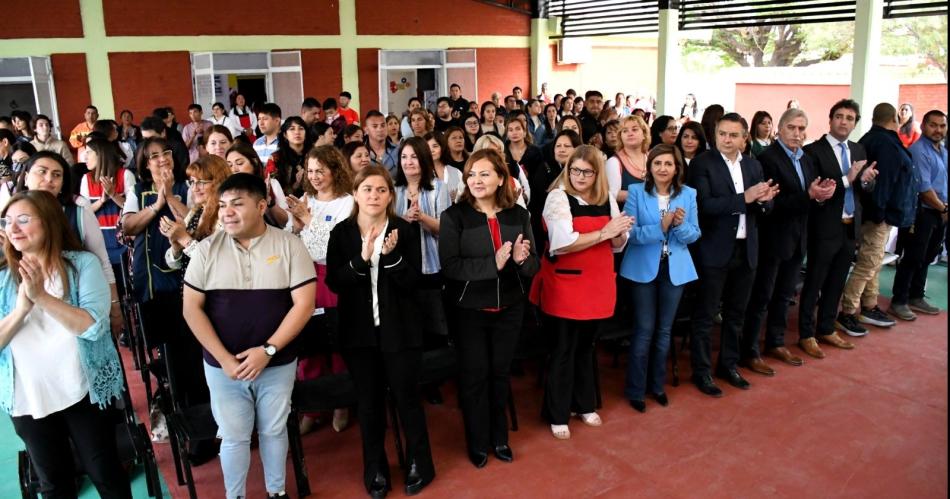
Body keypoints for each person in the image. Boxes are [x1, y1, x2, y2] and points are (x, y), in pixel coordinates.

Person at [182, 173, 315, 499]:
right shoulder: (205, 251)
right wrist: (225, 359)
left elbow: (304, 304)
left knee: (273, 428)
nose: (227, 212)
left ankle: (277, 492)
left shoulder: (289, 245)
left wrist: (268, 350)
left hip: (277, 360)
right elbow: (191, 309)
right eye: (223, 205)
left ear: (260, 205)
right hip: (223, 366)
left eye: (237, 204)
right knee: (234, 435)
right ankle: (236, 495)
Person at [0, 190, 131, 499]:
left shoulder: (81, 265)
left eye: (23, 220)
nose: (13, 229)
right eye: (7, 221)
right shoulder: (5, 278)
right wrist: (22, 309)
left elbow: (94, 326)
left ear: (48, 223)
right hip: (28, 396)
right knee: (54, 484)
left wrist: (42, 298)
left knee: (105, 472)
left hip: (81, 390)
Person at [325, 166, 436, 497]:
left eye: (381, 190)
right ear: (356, 194)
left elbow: (415, 282)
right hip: (359, 335)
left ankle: (421, 463)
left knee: (407, 399)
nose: (373, 196)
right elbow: (335, 282)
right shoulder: (342, 234)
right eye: (367, 189)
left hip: (401, 332)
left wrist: (389, 258)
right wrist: (362, 259)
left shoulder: (404, 229)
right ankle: (375, 469)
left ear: (391, 195)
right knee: (369, 405)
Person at [439, 148, 539, 468]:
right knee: (475, 377)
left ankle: (500, 438)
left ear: (500, 178)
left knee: (500, 374)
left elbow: (534, 262)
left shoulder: (518, 215)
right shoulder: (454, 216)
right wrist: (492, 265)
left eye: (484, 173)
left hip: (510, 308)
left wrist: (522, 262)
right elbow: (450, 267)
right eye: (471, 174)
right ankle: (478, 441)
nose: (476, 180)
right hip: (470, 311)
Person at [531, 145, 631, 438]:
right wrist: (604, 233)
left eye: (587, 171)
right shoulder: (558, 197)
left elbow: (618, 244)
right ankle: (557, 412)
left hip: (598, 284)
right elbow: (562, 242)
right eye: (575, 170)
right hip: (565, 283)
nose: (580, 176)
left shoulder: (606, 199)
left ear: (597, 174)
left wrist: (621, 231)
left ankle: (584, 404)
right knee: (563, 348)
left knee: (587, 347)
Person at [741, 109, 841, 375]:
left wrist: (820, 196)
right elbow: (771, 204)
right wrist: (808, 196)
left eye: (802, 128)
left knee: (785, 295)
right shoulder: (768, 159)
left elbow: (808, 200)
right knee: (762, 296)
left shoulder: (807, 160)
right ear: (780, 129)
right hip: (772, 238)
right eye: (792, 128)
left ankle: (775, 341)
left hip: (799, 238)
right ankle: (749, 350)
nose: (798, 133)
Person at [686, 113, 778, 397]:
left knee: (736, 314)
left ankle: (728, 364)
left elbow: (764, 209)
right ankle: (702, 372)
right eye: (722, 134)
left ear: (744, 138)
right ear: (715, 135)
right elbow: (703, 205)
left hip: (746, 249)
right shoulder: (703, 164)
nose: (727, 139)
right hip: (714, 250)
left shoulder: (753, 165)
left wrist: (764, 202)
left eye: (733, 135)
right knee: (705, 315)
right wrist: (746, 198)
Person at [621, 143, 700, 411]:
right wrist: (661, 226)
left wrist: (679, 225)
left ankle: (657, 386)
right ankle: (635, 390)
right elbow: (631, 235)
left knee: (665, 331)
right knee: (644, 330)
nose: (662, 168)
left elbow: (694, 235)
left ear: (677, 167)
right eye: (657, 163)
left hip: (674, 269)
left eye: (668, 164)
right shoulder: (635, 192)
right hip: (642, 269)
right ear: (650, 167)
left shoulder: (688, 194)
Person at [285, 146, 354, 435]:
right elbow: (292, 237)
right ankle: (312, 410)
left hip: (334, 276)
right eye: (310, 171)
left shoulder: (347, 202)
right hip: (307, 275)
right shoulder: (305, 199)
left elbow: (336, 246)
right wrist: (297, 222)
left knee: (338, 344)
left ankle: (342, 403)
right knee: (309, 345)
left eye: (320, 171)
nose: (314, 177)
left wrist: (308, 219)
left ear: (335, 171)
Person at [801, 99, 879, 348]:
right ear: (830, 119)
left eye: (849, 118)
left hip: (850, 225)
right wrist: (847, 179)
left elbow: (864, 190)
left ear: (855, 123)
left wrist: (866, 181)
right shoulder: (814, 151)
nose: (844, 121)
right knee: (815, 281)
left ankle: (826, 327)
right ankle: (806, 334)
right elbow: (816, 192)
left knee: (837, 281)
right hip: (824, 227)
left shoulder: (858, 150)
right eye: (839, 116)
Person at [18, 151, 123, 334]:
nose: (49, 179)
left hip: (76, 307)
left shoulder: (78, 211)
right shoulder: (11, 217)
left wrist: (115, 307)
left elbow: (102, 260)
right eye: (42, 172)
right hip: (29, 313)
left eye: (56, 175)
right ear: (26, 177)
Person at [841, 103, 917, 329]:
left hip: (874, 213)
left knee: (873, 262)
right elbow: (883, 183)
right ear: (894, 118)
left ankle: (869, 305)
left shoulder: (872, 139)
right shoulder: (885, 143)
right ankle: (847, 311)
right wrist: (880, 215)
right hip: (878, 215)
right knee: (868, 263)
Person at [120, 138, 190, 352]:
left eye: (166, 153)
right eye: (155, 156)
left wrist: (169, 196)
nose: (162, 159)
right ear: (145, 164)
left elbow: (194, 223)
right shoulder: (138, 190)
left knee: (184, 333)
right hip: (149, 270)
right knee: (156, 334)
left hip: (183, 269)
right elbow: (128, 227)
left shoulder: (186, 185)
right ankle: (164, 377)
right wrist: (157, 205)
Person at [889, 110, 948, 319]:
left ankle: (916, 296)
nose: (938, 130)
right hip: (921, 212)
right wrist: (943, 209)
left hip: (939, 211)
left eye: (942, 126)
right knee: (913, 257)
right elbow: (924, 189)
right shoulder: (919, 151)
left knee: (928, 256)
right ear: (923, 126)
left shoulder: (942, 150)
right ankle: (899, 300)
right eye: (933, 125)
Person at [80, 139, 134, 291]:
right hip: (99, 242)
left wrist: (113, 194)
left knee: (127, 286)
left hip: (123, 241)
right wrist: (102, 201)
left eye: (89, 152)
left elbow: (133, 210)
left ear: (101, 155)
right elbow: (84, 211)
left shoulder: (125, 175)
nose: (85, 157)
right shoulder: (87, 179)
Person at [226, 141, 289, 228]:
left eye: (239, 163)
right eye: (229, 165)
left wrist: (270, 203)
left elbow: (286, 223)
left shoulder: (271, 184)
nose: (234, 169)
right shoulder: (226, 191)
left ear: (254, 162)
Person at [265, 116, 313, 200]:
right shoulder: (275, 158)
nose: (297, 132)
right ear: (285, 135)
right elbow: (272, 190)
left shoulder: (315, 155)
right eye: (292, 129)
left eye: (301, 128)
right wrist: (296, 184)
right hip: (285, 205)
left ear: (306, 134)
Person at [607, 116, 651, 205]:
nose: (630, 133)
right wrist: (645, 195)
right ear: (621, 137)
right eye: (625, 131)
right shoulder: (614, 162)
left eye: (634, 129)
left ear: (644, 134)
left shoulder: (652, 158)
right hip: (626, 216)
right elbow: (612, 194)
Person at [425, 132, 464, 202]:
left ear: (442, 148)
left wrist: (457, 197)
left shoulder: (456, 172)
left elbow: (465, 197)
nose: (431, 150)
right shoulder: (420, 172)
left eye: (435, 146)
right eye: (427, 147)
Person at [364, 110, 399, 175]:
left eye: (383, 125)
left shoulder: (398, 150)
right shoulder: (361, 154)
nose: (380, 129)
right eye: (375, 126)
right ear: (366, 130)